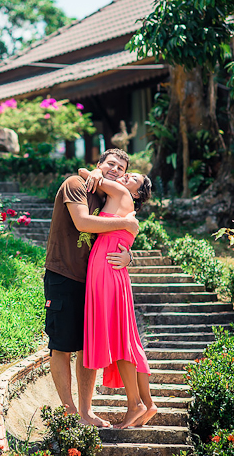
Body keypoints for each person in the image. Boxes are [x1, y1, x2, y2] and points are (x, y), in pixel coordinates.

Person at [43, 149, 139, 428]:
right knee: (61, 346)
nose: (115, 170)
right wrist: (127, 222)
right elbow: (83, 222)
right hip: (62, 275)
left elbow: (122, 237)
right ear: (99, 164)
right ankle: (69, 410)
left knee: (88, 347)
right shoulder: (75, 185)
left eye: (120, 168)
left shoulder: (110, 197)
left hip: (94, 282)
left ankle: (86, 411)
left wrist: (130, 257)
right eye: (110, 164)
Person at [78, 168, 157, 429]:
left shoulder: (121, 193)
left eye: (132, 178)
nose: (126, 177)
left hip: (106, 271)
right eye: (128, 173)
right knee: (126, 337)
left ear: (136, 192)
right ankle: (144, 402)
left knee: (120, 337)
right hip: (114, 271)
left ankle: (135, 403)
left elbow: (83, 172)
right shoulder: (126, 206)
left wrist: (98, 171)